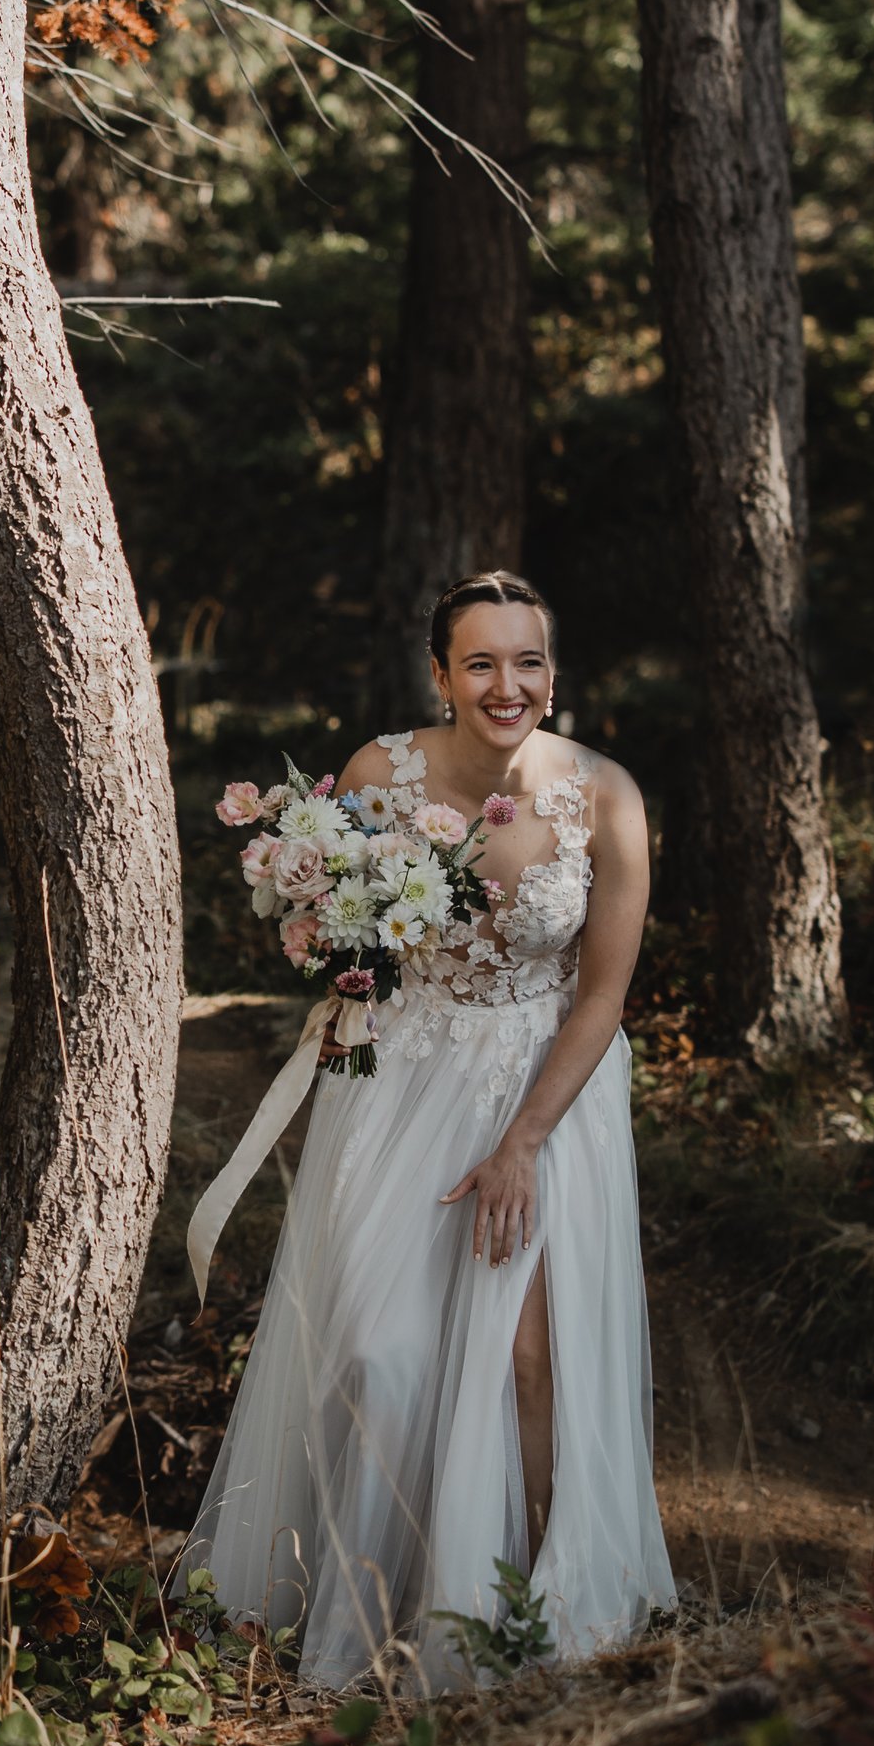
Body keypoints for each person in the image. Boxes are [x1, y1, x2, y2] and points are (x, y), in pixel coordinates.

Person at [178, 570, 676, 1689]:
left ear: (552, 673)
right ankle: (374, 1599)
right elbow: (335, 926)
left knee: (533, 1360)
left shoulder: (606, 796)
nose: (508, 686)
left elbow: (602, 997)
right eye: (481, 663)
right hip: (402, 1081)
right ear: (442, 675)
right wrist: (342, 951)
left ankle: (538, 1621)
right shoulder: (379, 773)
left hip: (550, 1087)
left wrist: (521, 1145)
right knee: (376, 1350)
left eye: (528, 661)